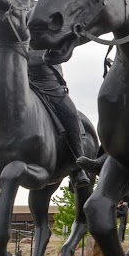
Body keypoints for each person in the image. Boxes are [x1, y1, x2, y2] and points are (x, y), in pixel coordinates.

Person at [27, 49, 91, 187]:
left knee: (72, 116)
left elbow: (57, 55)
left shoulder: (48, 39)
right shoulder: (21, 40)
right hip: (26, 88)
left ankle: (78, 167)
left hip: (52, 87)